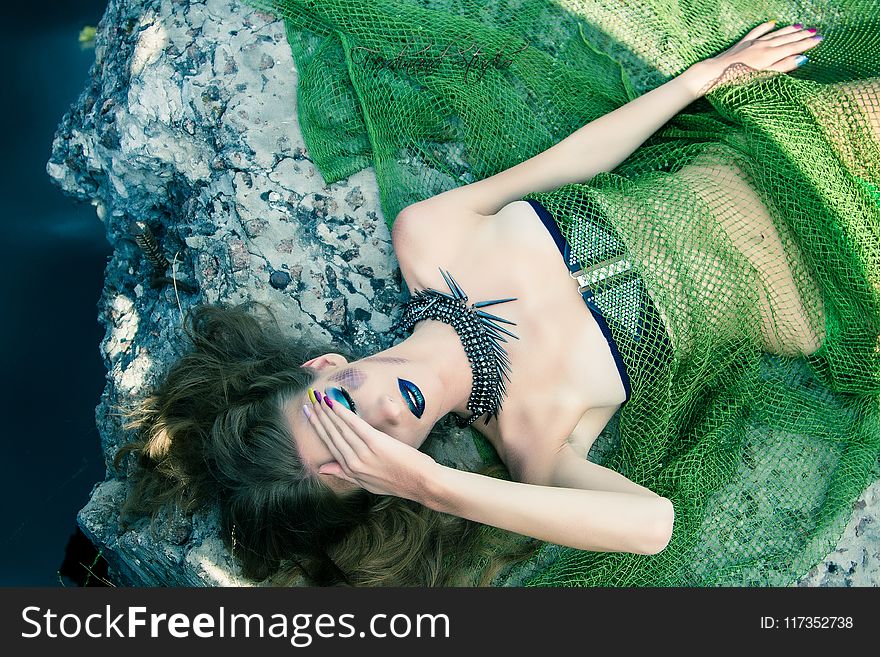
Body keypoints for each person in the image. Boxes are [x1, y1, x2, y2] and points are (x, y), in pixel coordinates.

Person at [119, 3, 880, 588]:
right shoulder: (533, 442)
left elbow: (571, 161)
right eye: (367, 457)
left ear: (323, 365)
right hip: (841, 287)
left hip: (782, 152)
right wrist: (431, 483)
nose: (386, 418)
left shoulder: (430, 237)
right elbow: (652, 524)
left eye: (346, 415)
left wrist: (702, 78)